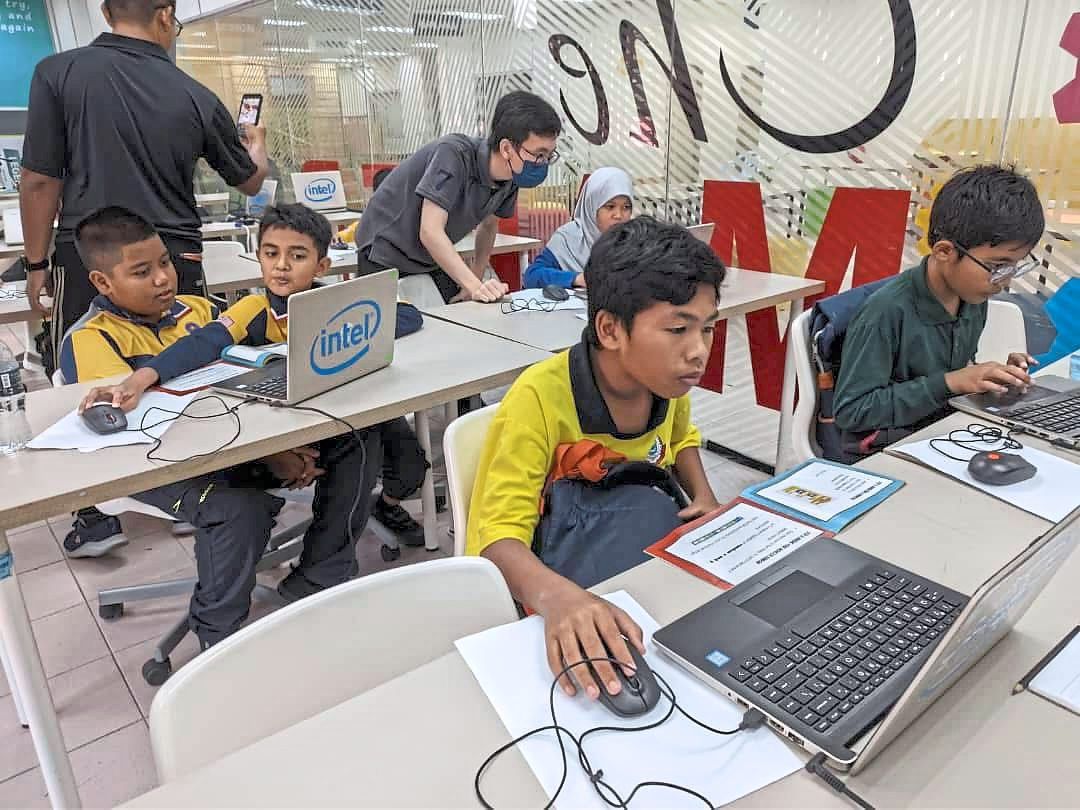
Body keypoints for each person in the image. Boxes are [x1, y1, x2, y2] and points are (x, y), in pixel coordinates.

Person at [63, 207, 367, 648]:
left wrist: (274, 445)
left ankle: (321, 570)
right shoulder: (91, 338)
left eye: (165, 263)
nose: (164, 279)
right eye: (142, 272)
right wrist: (270, 455)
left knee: (351, 439)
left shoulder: (200, 309)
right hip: (155, 464)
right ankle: (216, 639)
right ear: (103, 283)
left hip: (228, 444)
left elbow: (239, 384)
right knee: (238, 509)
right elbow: (142, 429)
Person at [81, 204, 431, 567]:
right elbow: (205, 342)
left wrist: (337, 329)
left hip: (345, 404)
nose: (281, 265)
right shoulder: (253, 307)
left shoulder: (339, 303)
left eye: (297, 256)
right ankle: (325, 561)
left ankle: (386, 506)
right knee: (357, 447)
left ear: (321, 266)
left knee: (408, 461)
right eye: (270, 254)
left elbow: (407, 315)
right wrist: (144, 376)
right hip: (286, 419)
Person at [465, 216, 723, 701]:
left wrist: (705, 495)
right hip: (553, 576)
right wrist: (558, 598)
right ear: (609, 329)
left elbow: (683, 438)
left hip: (636, 564)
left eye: (706, 329)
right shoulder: (538, 399)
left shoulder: (667, 382)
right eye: (677, 329)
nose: (699, 352)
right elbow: (495, 542)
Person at [20, 0, 269, 346]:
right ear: (166, 15)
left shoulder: (56, 72)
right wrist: (258, 146)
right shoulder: (196, 95)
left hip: (91, 258)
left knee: (83, 370)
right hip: (172, 259)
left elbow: (39, 181)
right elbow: (250, 180)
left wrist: (35, 265)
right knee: (188, 370)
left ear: (107, 14)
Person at [833, 165, 1044, 460]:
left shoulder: (972, 296)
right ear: (945, 252)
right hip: (885, 447)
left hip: (940, 429)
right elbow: (852, 412)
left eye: (1014, 266)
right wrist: (953, 382)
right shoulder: (885, 311)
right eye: (997, 266)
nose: (1005, 281)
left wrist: (990, 377)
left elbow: (946, 370)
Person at [355, 90, 562, 304]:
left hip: (427, 258)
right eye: (539, 154)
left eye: (549, 156)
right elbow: (430, 231)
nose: (543, 163)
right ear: (507, 148)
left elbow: (489, 225)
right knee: (392, 329)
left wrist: (476, 278)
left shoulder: (511, 177)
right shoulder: (453, 154)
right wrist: (474, 287)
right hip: (383, 250)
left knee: (459, 313)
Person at [523, 167, 634, 290]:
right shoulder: (569, 238)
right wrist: (577, 279)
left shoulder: (636, 241)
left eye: (626, 207)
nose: (618, 215)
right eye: (610, 206)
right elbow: (532, 276)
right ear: (591, 207)